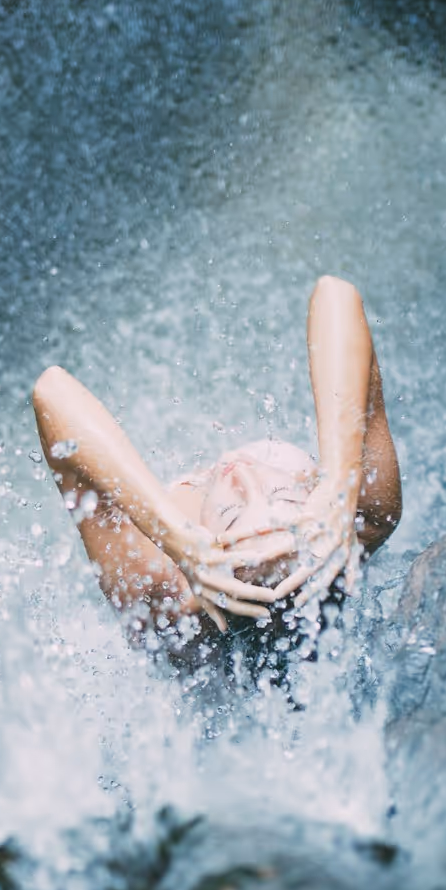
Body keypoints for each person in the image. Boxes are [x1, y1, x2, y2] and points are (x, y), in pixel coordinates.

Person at [32, 275, 401, 659]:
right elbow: (335, 293)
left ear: (204, 556)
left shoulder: (161, 594)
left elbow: (51, 391)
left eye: (229, 512)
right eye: (281, 492)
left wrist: (174, 539)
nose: (239, 471)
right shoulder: (362, 518)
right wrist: (339, 483)